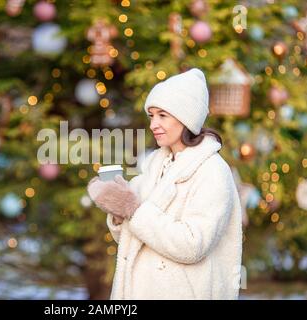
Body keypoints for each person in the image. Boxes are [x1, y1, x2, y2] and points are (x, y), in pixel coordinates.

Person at [87, 68, 243, 300]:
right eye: (151, 115)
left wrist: (133, 209)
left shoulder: (212, 171)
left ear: (185, 117)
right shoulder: (154, 167)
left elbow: (193, 245)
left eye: (162, 115)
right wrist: (118, 210)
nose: (153, 124)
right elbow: (132, 238)